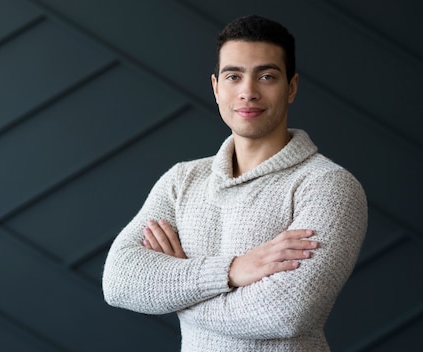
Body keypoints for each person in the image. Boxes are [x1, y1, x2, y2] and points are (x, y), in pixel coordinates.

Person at [102, 14, 367, 352]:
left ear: (292, 87)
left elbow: (282, 313)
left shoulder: (329, 187)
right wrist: (231, 271)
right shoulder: (183, 180)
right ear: (216, 88)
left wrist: (175, 293)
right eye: (233, 76)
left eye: (267, 76)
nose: (248, 92)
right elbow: (119, 281)